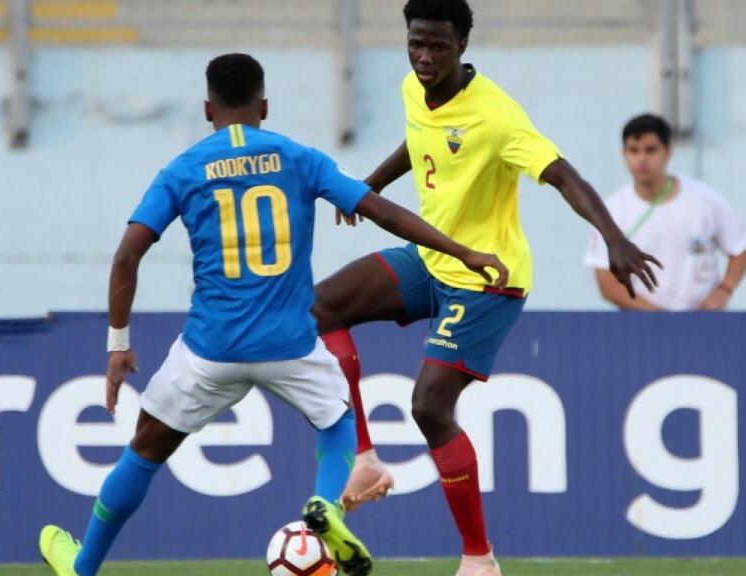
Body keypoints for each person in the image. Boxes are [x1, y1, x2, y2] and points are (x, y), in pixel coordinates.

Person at [37, 53, 509, 576]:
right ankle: (326, 508)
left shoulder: (183, 169)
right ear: (264, 106)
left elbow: (128, 254)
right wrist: (463, 252)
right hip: (291, 345)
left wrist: (119, 345)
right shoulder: (299, 158)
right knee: (339, 426)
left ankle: (83, 568)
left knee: (145, 449)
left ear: (206, 109)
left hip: (210, 350)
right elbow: (383, 211)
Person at [310, 1, 661, 575]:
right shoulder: (412, 87)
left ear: (463, 45)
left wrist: (613, 236)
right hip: (431, 257)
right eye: (416, 43)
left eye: (437, 46)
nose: (424, 56)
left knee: (428, 406)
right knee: (317, 310)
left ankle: (479, 560)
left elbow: (564, 176)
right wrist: (371, 182)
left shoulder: (497, 116)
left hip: (487, 279)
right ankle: (365, 460)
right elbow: (420, 140)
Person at [584, 113, 746, 311]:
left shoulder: (703, 200)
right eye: (634, 150)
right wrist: (661, 319)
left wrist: (724, 291)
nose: (642, 159)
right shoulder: (612, 211)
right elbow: (606, 283)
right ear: (624, 154)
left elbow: (742, 248)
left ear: (667, 152)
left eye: (650, 150)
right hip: (641, 326)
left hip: (701, 323)